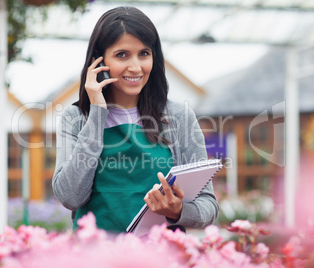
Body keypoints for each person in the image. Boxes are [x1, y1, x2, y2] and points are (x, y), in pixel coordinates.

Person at [52, 6, 219, 234]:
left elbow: (208, 207)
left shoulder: (179, 117)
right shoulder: (77, 118)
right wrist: (97, 112)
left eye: (144, 53)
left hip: (161, 256)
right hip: (95, 256)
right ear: (98, 62)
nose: (135, 67)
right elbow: (70, 197)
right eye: (122, 55)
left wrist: (177, 211)